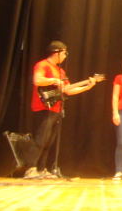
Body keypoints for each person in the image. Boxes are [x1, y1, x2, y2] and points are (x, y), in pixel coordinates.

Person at [26, 41, 97, 179]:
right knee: (41, 139)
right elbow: (37, 80)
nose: (65, 56)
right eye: (64, 53)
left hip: (56, 108)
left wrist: (88, 86)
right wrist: (54, 80)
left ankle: (41, 169)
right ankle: (30, 168)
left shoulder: (61, 71)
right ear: (56, 52)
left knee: (48, 141)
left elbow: (67, 90)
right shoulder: (43, 65)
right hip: (43, 107)